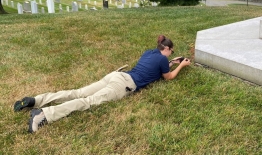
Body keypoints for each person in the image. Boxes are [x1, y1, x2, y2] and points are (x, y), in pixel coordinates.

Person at [14, 35, 191, 133]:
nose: (171, 54)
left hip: (115, 75)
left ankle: (36, 100)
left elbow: (154, 69)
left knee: (77, 92)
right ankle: (44, 114)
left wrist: (171, 62)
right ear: (167, 49)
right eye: (171, 52)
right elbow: (168, 77)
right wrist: (181, 65)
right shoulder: (162, 59)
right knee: (87, 102)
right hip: (124, 85)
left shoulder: (149, 53)